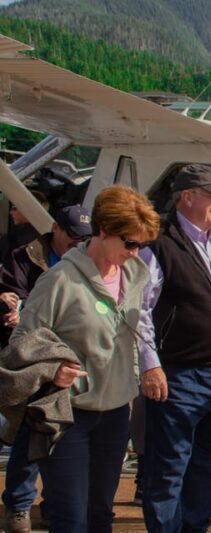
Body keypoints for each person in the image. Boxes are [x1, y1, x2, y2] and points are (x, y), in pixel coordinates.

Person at [7, 185, 160, 531]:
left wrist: (147, 370)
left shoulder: (136, 276)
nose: (135, 253)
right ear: (102, 231)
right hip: (67, 415)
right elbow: (20, 344)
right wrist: (52, 369)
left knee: (99, 516)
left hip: (116, 414)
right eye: (130, 243)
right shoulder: (59, 280)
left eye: (142, 245)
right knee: (70, 520)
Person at [138, 163, 211, 532]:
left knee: (208, 463)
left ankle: (196, 528)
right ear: (187, 197)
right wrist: (149, 365)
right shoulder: (158, 244)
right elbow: (138, 310)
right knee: (169, 464)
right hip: (177, 374)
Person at [1, 204, 92, 533]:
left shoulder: (87, 260)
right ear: (56, 229)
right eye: (72, 236)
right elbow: (15, 292)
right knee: (33, 431)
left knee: (63, 437)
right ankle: (19, 504)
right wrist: (10, 305)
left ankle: (55, 504)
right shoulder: (25, 256)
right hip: (35, 358)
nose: (77, 242)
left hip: (71, 359)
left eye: (84, 237)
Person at [0, 191, 49, 272]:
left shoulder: (12, 240)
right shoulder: (46, 237)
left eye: (15, 208)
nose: (11, 212)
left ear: (28, 211)